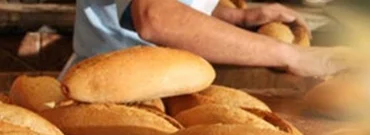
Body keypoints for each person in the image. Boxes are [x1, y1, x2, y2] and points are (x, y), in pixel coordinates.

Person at [60, 0, 351, 79]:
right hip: (107, 92)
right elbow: (156, 16)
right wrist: (292, 56)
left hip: (165, 86)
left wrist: (237, 17)